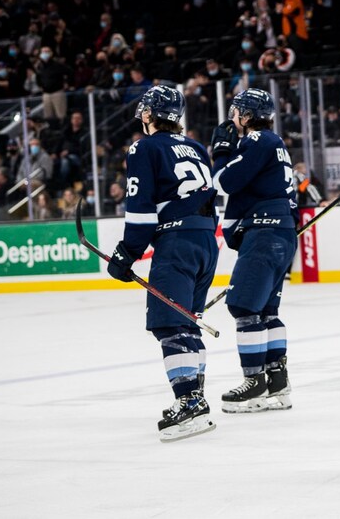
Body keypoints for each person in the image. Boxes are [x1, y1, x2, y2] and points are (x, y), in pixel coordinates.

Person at [105, 85, 218, 442]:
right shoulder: (197, 147)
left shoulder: (144, 146)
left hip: (177, 243)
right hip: (205, 242)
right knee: (188, 323)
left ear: (150, 114)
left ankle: (190, 403)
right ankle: (196, 395)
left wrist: (127, 253)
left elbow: (139, 208)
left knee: (171, 325)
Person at [210, 88, 297, 413]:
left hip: (264, 233)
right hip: (280, 232)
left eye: (236, 113)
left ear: (245, 116)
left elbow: (223, 182)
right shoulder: (275, 144)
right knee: (265, 312)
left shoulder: (259, 140)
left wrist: (220, 151)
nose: (233, 119)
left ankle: (254, 384)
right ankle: (278, 383)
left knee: (244, 307)